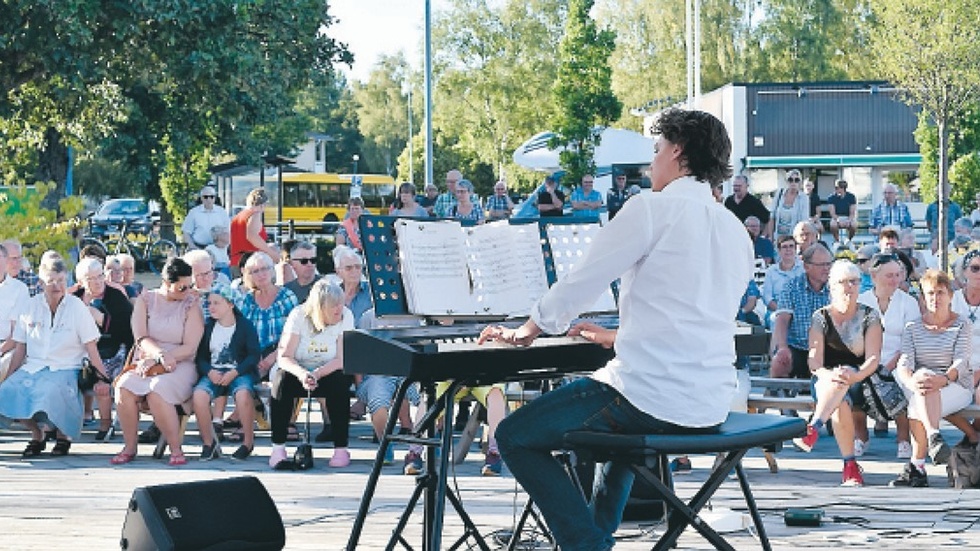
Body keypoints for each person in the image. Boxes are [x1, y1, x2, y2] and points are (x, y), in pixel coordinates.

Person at [478, 108, 753, 551]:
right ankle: (597, 539)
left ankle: (585, 545)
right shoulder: (734, 228)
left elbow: (583, 280)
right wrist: (616, 336)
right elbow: (689, 311)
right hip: (709, 399)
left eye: (657, 149)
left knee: (514, 436)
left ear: (678, 151)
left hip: (652, 396)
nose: (651, 163)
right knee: (617, 427)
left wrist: (530, 327)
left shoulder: (650, 208)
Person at [0, 256, 110, 457]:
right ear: (41, 283)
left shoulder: (76, 307)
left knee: (51, 391)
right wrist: (9, 375)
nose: (57, 286)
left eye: (61, 280)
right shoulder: (30, 306)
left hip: (67, 366)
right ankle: (37, 433)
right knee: (6, 391)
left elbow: (91, 347)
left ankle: (63, 436)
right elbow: (20, 348)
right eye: (51, 281)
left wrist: (103, 378)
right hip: (34, 366)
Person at [792, 261, 882, 487]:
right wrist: (828, 375)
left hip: (862, 379)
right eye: (843, 282)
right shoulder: (820, 317)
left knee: (845, 376)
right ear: (832, 287)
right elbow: (814, 361)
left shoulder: (870, 316)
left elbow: (873, 359)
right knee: (839, 397)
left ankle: (813, 427)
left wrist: (855, 375)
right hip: (827, 381)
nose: (849, 286)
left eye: (854, 281)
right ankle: (850, 467)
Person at [111, 258, 203, 466]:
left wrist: (165, 357)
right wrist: (157, 355)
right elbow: (140, 337)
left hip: (181, 361)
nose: (187, 291)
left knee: (158, 389)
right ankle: (130, 446)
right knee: (123, 386)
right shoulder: (147, 300)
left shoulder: (191, 305)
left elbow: (190, 347)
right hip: (148, 356)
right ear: (167, 282)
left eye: (190, 286)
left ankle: (175, 448)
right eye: (182, 287)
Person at [890, 269, 975, 487]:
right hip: (921, 384)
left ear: (950, 296)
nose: (935, 298)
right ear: (922, 297)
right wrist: (911, 381)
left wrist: (944, 379)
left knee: (917, 405)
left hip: (955, 384)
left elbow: (962, 361)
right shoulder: (913, 327)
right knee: (923, 380)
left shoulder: (962, 324)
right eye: (930, 293)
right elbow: (905, 362)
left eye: (940, 292)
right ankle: (934, 438)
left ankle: (917, 467)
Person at [271, 281, 354, 469]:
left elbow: (342, 358)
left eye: (341, 303)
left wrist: (317, 374)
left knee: (340, 382)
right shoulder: (298, 316)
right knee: (281, 381)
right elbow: (284, 357)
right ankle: (278, 448)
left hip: (329, 369)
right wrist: (302, 374)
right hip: (298, 369)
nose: (339, 309)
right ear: (320, 307)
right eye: (334, 305)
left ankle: (341, 448)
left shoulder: (346, 316)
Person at [858, 252, 919, 459]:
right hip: (867, 361)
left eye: (898, 275)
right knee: (853, 384)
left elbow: (910, 341)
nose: (895, 280)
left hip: (900, 361)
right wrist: (871, 365)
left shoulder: (909, 302)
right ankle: (861, 436)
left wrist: (889, 366)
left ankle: (903, 439)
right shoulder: (861, 302)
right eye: (889, 275)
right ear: (874, 277)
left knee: (902, 382)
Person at [192, 283, 260, 461]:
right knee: (199, 395)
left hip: (239, 371)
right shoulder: (208, 327)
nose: (211, 307)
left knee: (243, 394)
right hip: (215, 371)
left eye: (217, 303)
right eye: (209, 303)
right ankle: (209, 442)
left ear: (230, 304)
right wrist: (208, 371)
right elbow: (201, 357)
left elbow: (253, 355)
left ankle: (248, 442)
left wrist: (236, 372)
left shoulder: (245, 326)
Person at [73, 257, 134, 442]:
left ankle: (105, 423)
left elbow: (127, 330)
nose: (98, 281)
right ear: (81, 281)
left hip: (112, 350)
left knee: (103, 383)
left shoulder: (115, 296)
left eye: (100, 276)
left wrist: (102, 320)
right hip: (78, 352)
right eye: (91, 278)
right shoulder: (74, 298)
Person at [771, 244, 833, 379]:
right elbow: (782, 320)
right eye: (821, 265)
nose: (826, 269)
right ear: (806, 266)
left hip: (827, 349)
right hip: (797, 347)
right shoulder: (792, 286)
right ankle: (775, 398)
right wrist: (782, 347)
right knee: (779, 361)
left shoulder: (836, 287)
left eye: (829, 264)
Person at [951, 249, 980, 441]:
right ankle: (972, 435)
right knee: (930, 393)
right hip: (954, 367)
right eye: (976, 268)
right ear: (965, 271)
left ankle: (973, 437)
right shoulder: (951, 300)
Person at [230, 188, 279, 276]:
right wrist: (272, 254)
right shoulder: (255, 215)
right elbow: (252, 236)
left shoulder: (237, 217)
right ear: (262, 205)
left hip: (236, 262)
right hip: (251, 263)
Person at [761, 235, 805, 328]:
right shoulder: (771, 271)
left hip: (800, 309)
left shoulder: (804, 269)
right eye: (784, 247)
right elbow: (767, 297)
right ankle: (777, 343)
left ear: (796, 249)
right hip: (776, 310)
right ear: (779, 250)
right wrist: (782, 311)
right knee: (776, 320)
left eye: (791, 246)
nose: (788, 249)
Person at [182, 186, 230, 250]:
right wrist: (193, 247)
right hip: (198, 247)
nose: (209, 199)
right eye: (206, 197)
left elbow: (228, 231)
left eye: (211, 197)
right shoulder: (193, 212)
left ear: (215, 198)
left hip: (218, 249)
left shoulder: (222, 212)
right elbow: (186, 232)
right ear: (201, 198)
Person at [0, 243, 30, 348]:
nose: (16, 263)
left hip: (7, 346)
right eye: (13, 259)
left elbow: (16, 333)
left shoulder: (19, 289)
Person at [770, 170, 810, 242]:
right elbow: (772, 216)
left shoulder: (804, 197)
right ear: (787, 181)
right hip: (777, 238)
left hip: (795, 239)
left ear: (800, 182)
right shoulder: (779, 194)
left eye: (796, 180)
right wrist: (771, 237)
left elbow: (804, 221)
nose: (793, 182)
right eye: (790, 180)